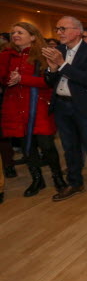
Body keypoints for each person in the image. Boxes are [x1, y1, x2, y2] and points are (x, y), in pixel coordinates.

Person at [43, 16, 87, 202]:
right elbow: (49, 81)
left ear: (78, 31)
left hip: (83, 107)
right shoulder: (58, 50)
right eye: (58, 29)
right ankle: (75, 183)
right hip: (62, 106)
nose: (59, 33)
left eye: (63, 28)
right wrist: (51, 69)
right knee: (69, 147)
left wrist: (62, 64)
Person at [0, 22, 67, 197]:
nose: (15, 35)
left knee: (47, 145)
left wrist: (23, 79)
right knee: (27, 147)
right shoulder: (7, 56)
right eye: (13, 32)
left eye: (20, 32)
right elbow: (4, 80)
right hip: (16, 108)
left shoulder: (43, 55)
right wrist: (10, 79)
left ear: (32, 36)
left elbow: (48, 82)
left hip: (38, 107)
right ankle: (37, 179)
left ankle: (58, 177)